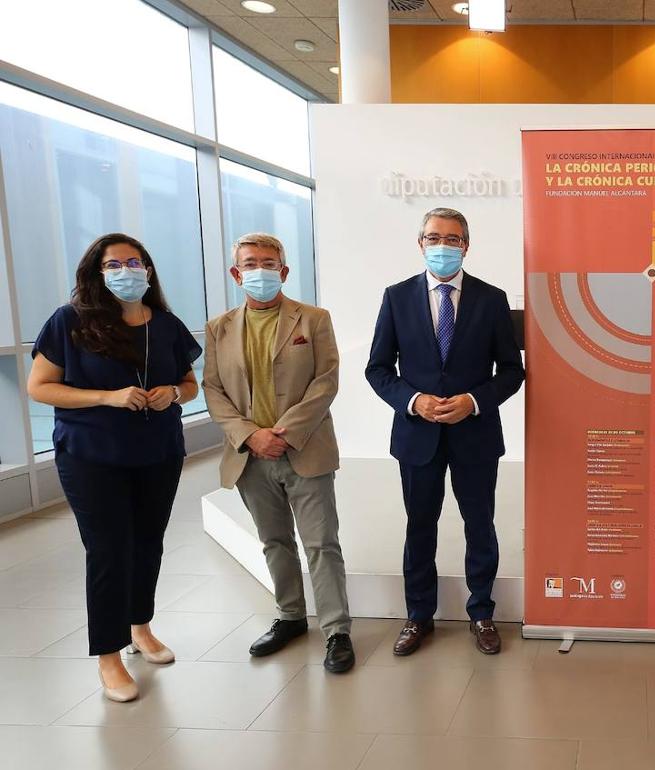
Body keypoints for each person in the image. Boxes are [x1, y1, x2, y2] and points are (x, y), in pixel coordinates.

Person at [26, 233, 200, 703]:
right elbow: (40, 386)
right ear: (97, 272)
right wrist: (107, 396)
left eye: (135, 262)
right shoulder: (70, 322)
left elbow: (189, 382)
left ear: (148, 270)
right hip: (92, 456)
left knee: (147, 543)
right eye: (115, 264)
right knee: (108, 550)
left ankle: (140, 627)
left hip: (159, 451)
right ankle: (108, 655)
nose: (127, 271)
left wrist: (174, 394)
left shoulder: (164, 323)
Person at [366, 207, 524, 656]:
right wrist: (414, 401)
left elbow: (512, 371)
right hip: (417, 437)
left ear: (466, 246)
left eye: (452, 239)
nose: (443, 245)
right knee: (420, 526)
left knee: (480, 526)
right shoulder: (396, 297)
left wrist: (472, 402)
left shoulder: (492, 299)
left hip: (475, 435)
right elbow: (378, 369)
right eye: (434, 237)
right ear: (420, 244)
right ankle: (418, 616)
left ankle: (482, 612)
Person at [202, 233, 354, 674]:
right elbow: (213, 388)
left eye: (269, 264)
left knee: (322, 543)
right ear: (236, 273)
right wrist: (250, 436)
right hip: (251, 456)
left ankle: (337, 630)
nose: (260, 271)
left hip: (304, 449)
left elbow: (326, 380)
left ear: (284, 272)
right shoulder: (219, 328)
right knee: (274, 541)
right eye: (250, 264)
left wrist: (284, 433)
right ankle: (290, 617)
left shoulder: (313, 319)